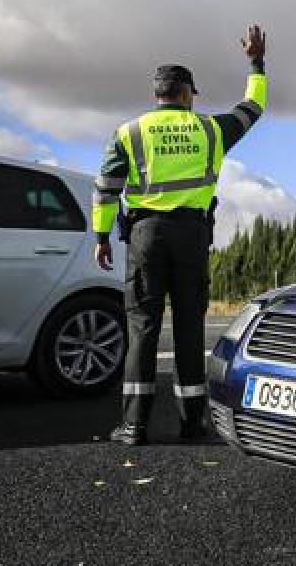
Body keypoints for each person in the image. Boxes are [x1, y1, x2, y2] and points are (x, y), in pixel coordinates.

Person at [92, 24, 269, 445]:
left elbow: (105, 189)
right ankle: (193, 422)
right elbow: (254, 106)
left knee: (143, 327)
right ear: (188, 92)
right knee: (190, 327)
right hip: (192, 235)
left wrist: (101, 237)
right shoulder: (212, 129)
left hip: (145, 236)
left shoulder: (129, 132)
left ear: (158, 94)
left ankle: (134, 426)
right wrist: (256, 61)